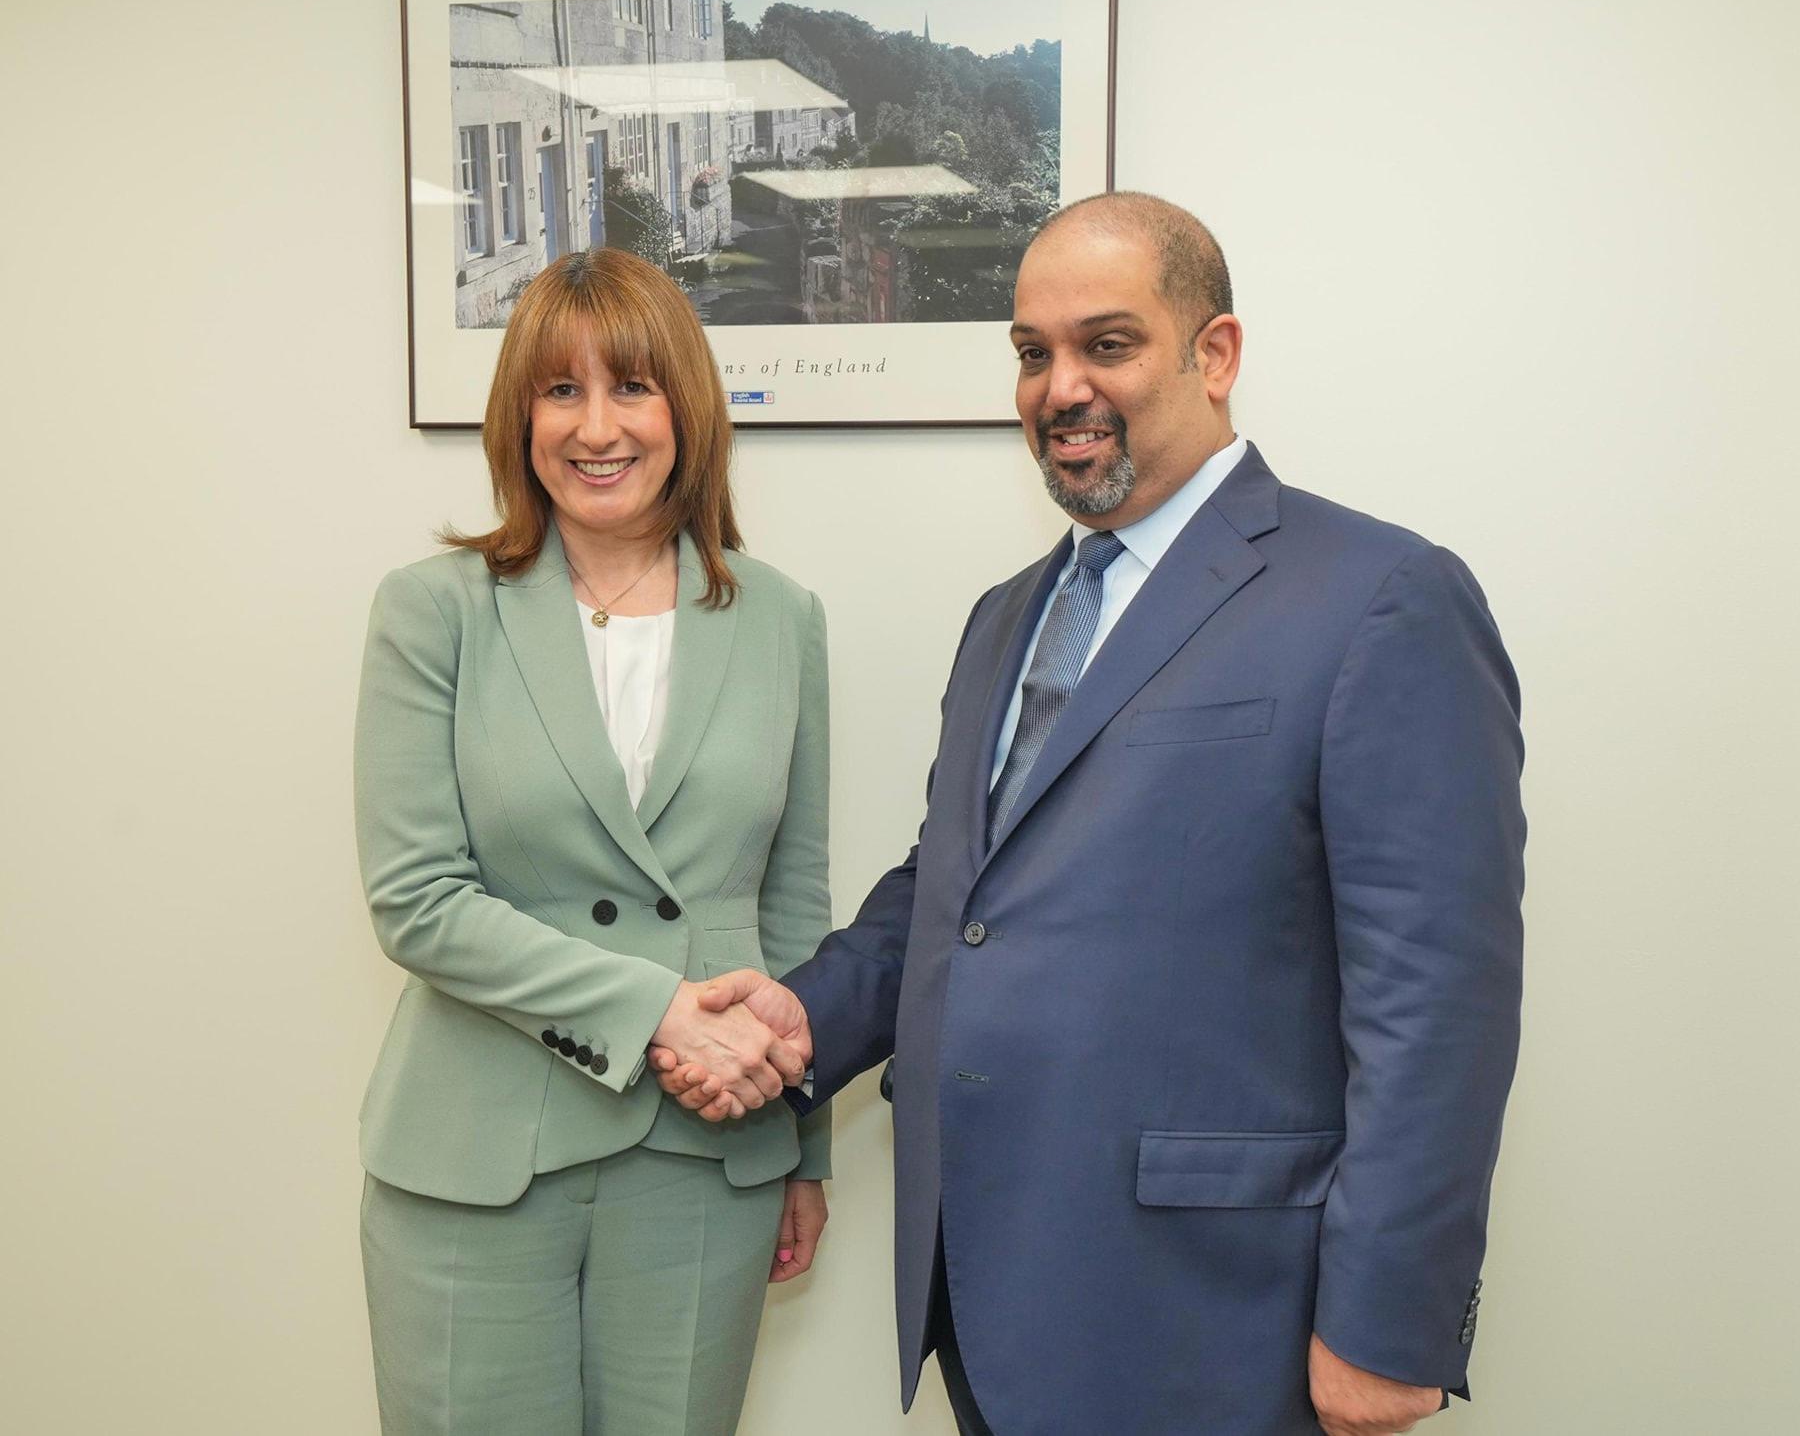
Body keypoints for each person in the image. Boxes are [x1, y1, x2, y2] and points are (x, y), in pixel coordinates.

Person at [654, 193, 1526, 1436]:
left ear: (1214, 354)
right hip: (987, 1292)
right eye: (1032, 352)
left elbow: (1438, 1002)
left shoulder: (1382, 596)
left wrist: (1390, 1322)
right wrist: (807, 1018)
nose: (1060, 388)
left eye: (1106, 345)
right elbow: (959, 891)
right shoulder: (1009, 614)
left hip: (1221, 1320)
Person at [354, 246, 832, 1435]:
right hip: (477, 1157)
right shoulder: (433, 610)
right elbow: (417, 898)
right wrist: (659, 1010)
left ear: (687, 409)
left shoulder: (782, 618)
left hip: (709, 1155)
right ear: (520, 418)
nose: (596, 426)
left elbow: (792, 902)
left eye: (631, 387)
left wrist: (804, 1145)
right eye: (560, 390)